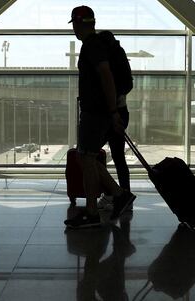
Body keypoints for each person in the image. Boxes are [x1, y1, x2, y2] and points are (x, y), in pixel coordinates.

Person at [64, 5, 136, 229]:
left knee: (86, 158)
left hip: (97, 113)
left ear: (77, 23)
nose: (74, 29)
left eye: (74, 24)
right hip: (102, 112)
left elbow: (105, 76)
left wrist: (113, 112)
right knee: (88, 158)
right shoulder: (99, 44)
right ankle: (116, 194)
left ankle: (95, 210)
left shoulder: (92, 46)